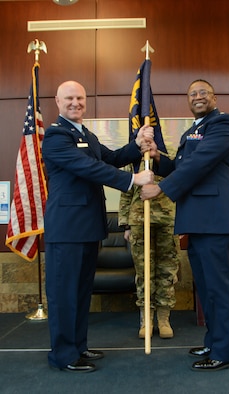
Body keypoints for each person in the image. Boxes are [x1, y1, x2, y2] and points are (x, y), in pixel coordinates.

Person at [42, 80, 154, 373]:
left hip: (88, 227)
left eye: (79, 97)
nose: (75, 103)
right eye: (69, 98)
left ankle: (78, 346)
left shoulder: (86, 135)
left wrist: (137, 145)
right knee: (64, 293)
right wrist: (133, 181)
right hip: (66, 229)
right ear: (57, 101)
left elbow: (111, 158)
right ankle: (64, 355)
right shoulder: (55, 137)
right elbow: (88, 168)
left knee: (80, 292)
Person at [141, 79, 229, 371]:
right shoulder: (193, 130)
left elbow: (198, 164)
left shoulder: (222, 124)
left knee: (219, 288)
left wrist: (161, 189)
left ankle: (225, 352)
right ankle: (214, 341)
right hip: (198, 221)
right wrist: (157, 158)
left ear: (214, 97)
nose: (198, 96)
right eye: (192, 93)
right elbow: (179, 165)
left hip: (215, 219)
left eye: (203, 92)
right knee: (207, 288)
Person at [119, 159, 180, 339]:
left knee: (167, 271)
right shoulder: (133, 159)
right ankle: (147, 319)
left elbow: (181, 184)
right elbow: (126, 191)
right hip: (139, 220)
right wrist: (126, 225)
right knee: (144, 271)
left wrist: (182, 222)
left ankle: (163, 319)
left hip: (168, 220)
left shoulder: (168, 156)